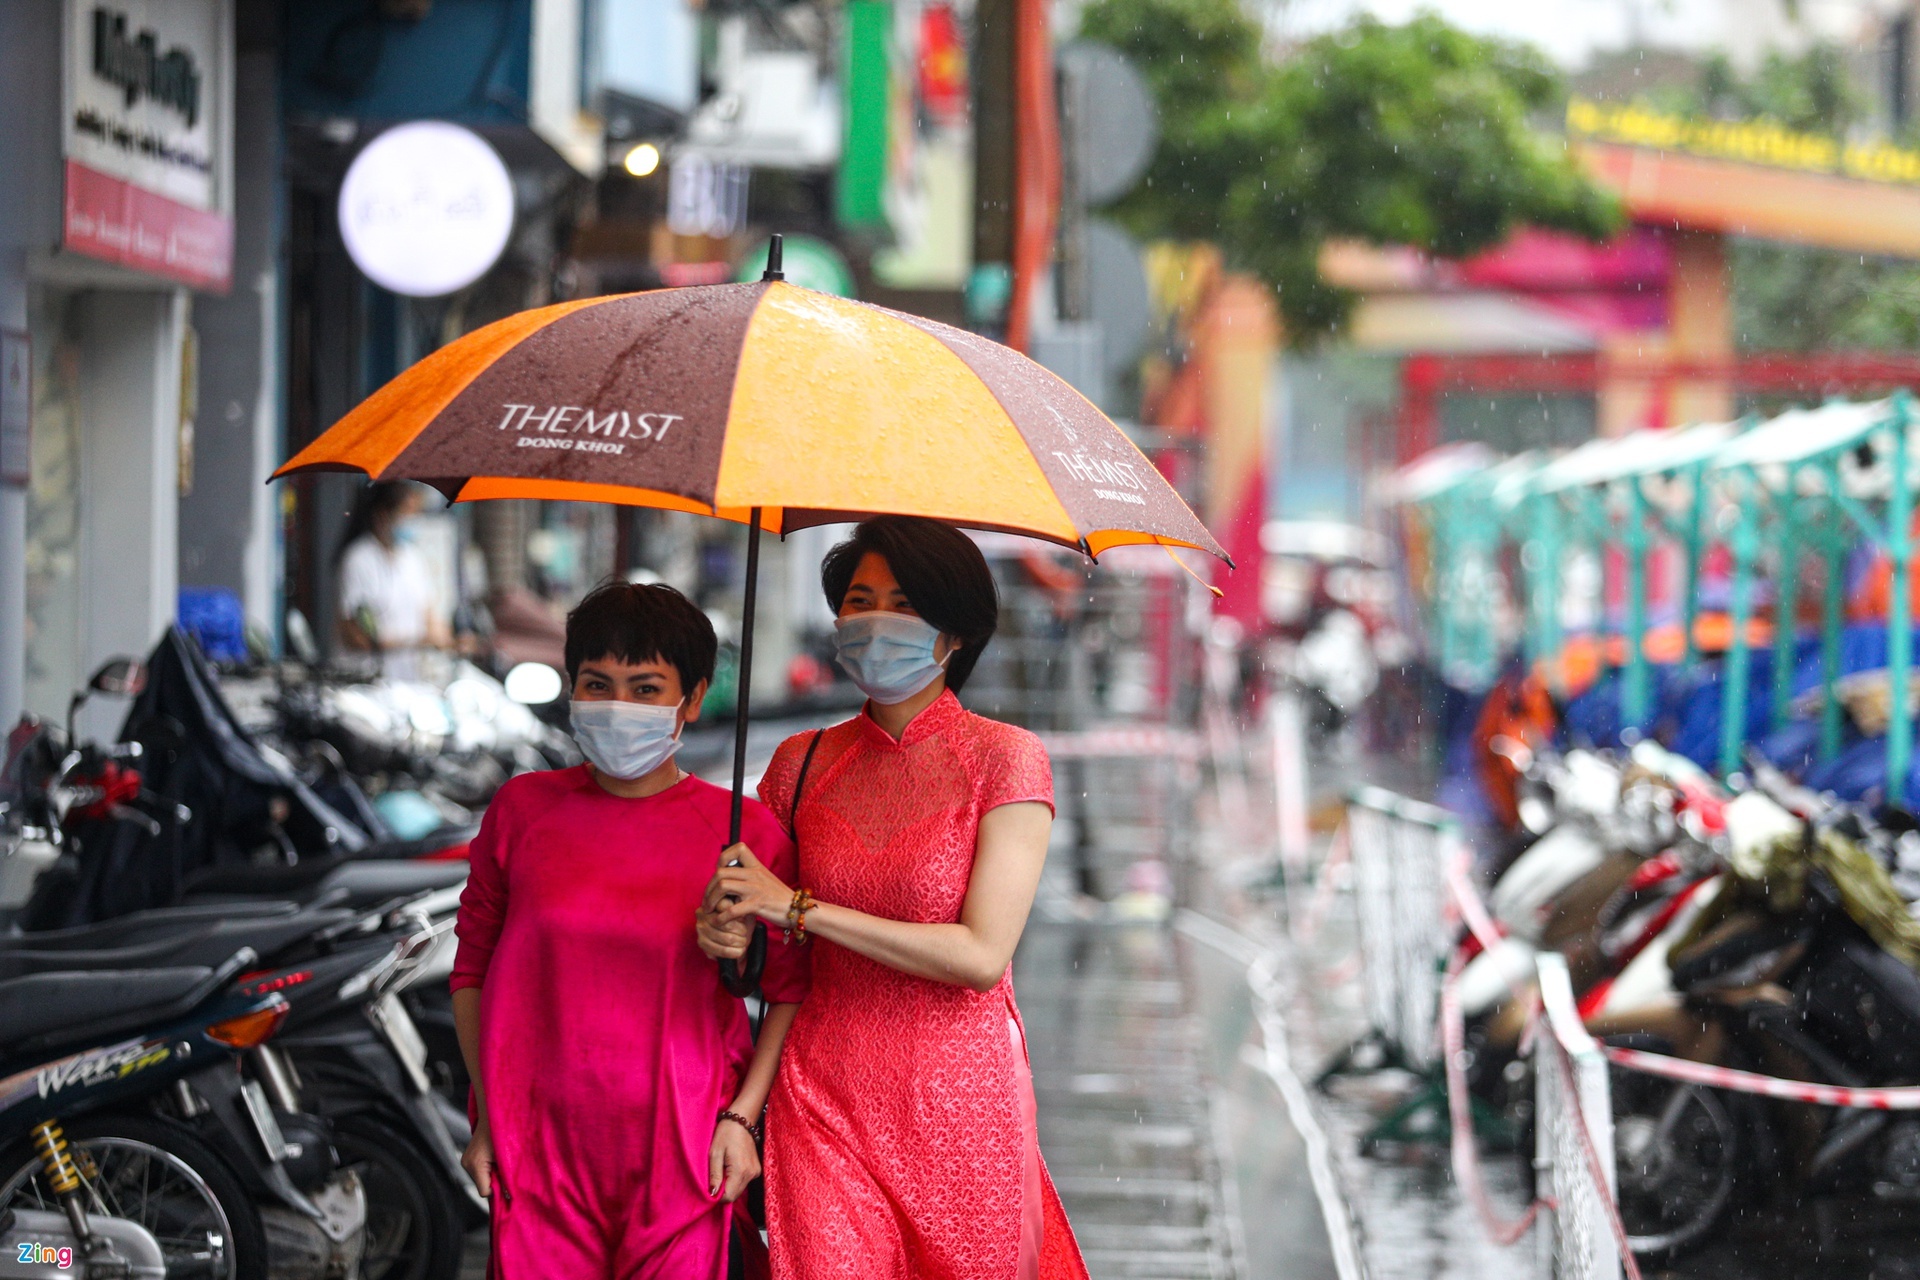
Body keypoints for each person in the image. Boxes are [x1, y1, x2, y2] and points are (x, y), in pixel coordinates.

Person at [697, 516, 1090, 1280]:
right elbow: (774, 960)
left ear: (957, 631)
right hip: (820, 1095)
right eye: (858, 600)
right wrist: (726, 927)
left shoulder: (1005, 760)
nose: (873, 621)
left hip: (961, 1104)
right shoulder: (798, 762)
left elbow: (979, 956)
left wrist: (798, 909)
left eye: (904, 604)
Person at [450, 581, 808, 1280]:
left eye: (646, 688)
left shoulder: (745, 836)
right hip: (538, 1150)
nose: (619, 706)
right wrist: (489, 1116)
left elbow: (790, 992)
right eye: (597, 684)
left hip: (685, 1151)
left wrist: (742, 1119)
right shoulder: (521, 811)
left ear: (694, 698)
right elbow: (472, 971)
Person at [335, 481, 450, 677]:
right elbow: (355, 636)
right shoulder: (358, 560)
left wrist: (447, 639)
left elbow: (430, 615)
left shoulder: (413, 558)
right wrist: (413, 642)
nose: (413, 520)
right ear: (382, 515)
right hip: (366, 679)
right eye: (408, 512)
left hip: (409, 681)